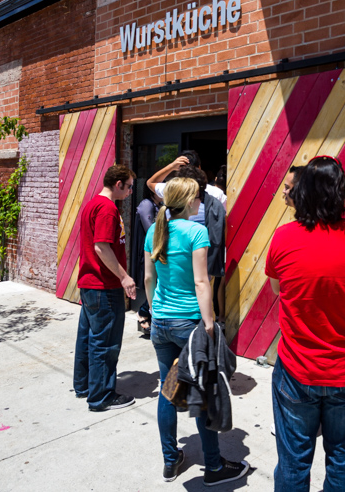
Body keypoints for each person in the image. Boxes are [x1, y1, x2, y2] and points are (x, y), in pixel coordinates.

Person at [265, 156, 345, 492]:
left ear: (301, 193)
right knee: (343, 458)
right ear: (341, 192)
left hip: (296, 370)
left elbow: (279, 289)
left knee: (293, 460)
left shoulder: (283, 238)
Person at [144, 177, 250, 486]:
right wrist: (209, 323)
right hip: (189, 323)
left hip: (161, 322)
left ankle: (169, 460)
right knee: (201, 394)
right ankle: (214, 467)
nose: (200, 203)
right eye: (197, 199)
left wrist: (154, 310)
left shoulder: (155, 230)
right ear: (189, 202)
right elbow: (202, 283)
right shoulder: (196, 231)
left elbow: (149, 278)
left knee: (168, 388)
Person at [72, 164, 138, 412]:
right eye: (129, 187)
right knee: (106, 343)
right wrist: (124, 277)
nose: (131, 191)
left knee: (88, 338)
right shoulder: (107, 209)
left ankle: (84, 386)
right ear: (118, 184)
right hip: (103, 285)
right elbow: (101, 247)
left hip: (91, 284)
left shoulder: (92, 204)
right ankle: (101, 397)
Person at [131, 184, 162, 336]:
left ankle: (145, 314)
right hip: (148, 251)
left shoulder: (158, 205)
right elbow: (151, 229)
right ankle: (143, 312)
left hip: (154, 250)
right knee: (155, 284)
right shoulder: (146, 204)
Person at [147, 150, 228, 208]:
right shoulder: (216, 193)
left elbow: (151, 182)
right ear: (199, 168)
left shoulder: (172, 189)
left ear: (178, 169)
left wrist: (171, 166)